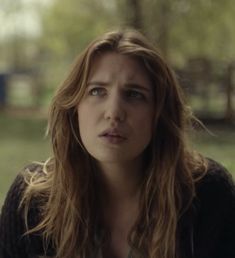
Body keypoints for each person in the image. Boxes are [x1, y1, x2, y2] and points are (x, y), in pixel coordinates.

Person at [0, 29, 235, 258]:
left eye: (134, 94)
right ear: (74, 109)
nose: (114, 112)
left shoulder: (208, 195)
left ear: (159, 115)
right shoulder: (31, 203)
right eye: (97, 91)